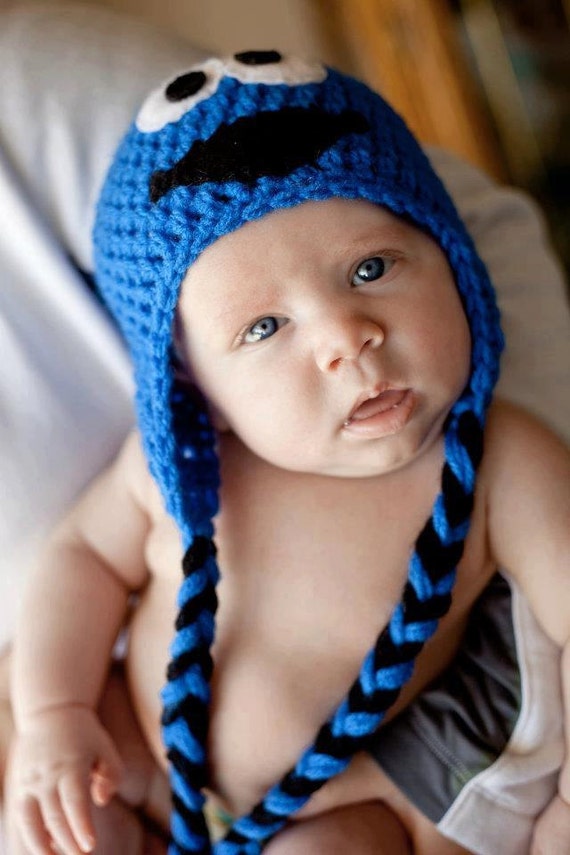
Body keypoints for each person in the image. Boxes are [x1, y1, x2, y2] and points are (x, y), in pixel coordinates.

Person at [4, 50, 569, 855]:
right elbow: (84, 559)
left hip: (338, 800)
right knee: (47, 832)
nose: (347, 336)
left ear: (452, 258)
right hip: (129, 747)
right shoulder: (181, 467)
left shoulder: (504, 464)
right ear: (195, 386)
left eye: (371, 269)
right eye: (265, 328)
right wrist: (55, 718)